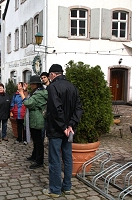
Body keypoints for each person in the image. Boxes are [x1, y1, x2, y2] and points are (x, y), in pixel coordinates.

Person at [42, 64, 83, 198]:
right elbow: (78, 109)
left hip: (56, 130)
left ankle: (55, 189)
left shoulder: (52, 87)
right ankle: (67, 187)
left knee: (55, 160)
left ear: (53, 74)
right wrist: (71, 125)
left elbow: (56, 109)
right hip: (68, 130)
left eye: (49, 75)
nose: (49, 77)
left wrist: (65, 126)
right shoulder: (73, 87)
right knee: (67, 157)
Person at [19, 75, 48, 169]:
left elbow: (28, 103)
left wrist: (21, 93)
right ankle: (35, 155)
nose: (31, 85)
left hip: (37, 120)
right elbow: (30, 99)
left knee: (38, 141)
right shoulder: (37, 92)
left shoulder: (39, 94)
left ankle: (39, 161)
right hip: (35, 119)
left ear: (36, 84)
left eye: (32, 84)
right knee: (36, 140)